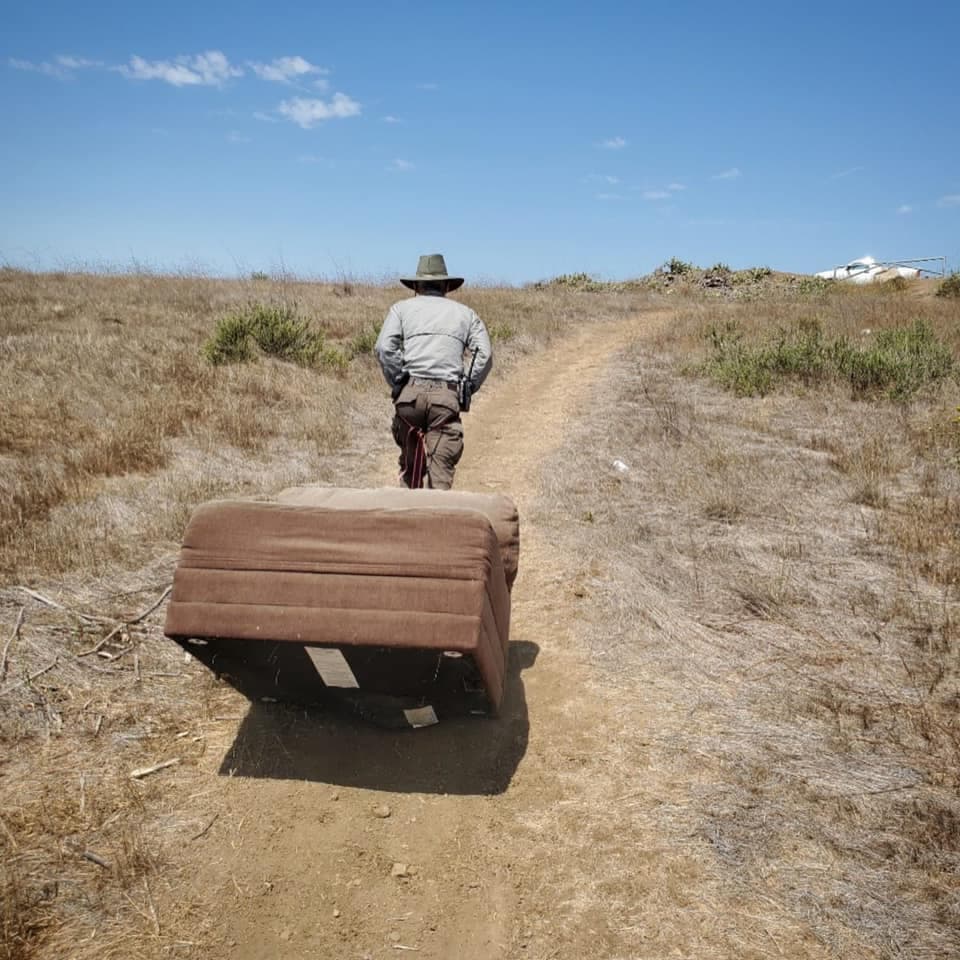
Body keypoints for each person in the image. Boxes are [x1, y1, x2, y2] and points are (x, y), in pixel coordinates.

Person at [374, 253, 492, 489]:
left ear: (416, 286)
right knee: (440, 478)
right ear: (447, 285)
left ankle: (406, 515)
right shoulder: (466, 314)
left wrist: (399, 380)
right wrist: (467, 386)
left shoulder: (401, 309)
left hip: (410, 398)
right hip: (445, 400)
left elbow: (384, 347)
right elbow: (484, 354)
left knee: (410, 472)